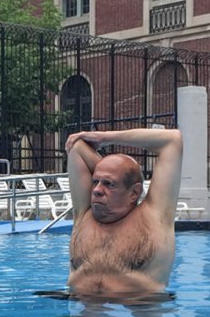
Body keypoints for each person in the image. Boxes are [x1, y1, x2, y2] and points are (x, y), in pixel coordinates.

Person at [64, 127, 185, 298]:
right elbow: (76, 147)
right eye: (95, 181)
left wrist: (104, 137)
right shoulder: (84, 214)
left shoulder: (154, 217)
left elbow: (172, 140)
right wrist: (109, 171)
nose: (97, 190)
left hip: (138, 315)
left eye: (109, 184)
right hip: (81, 311)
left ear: (134, 193)